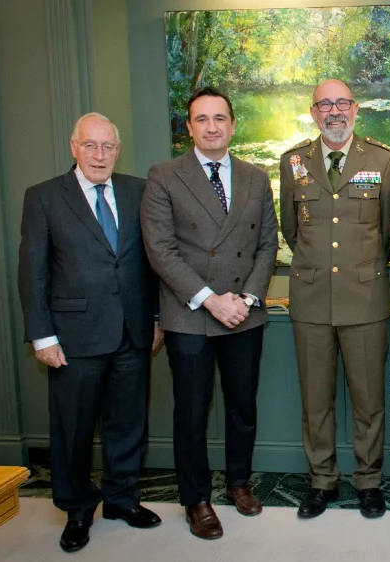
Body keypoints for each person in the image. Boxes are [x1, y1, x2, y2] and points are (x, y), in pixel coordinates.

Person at [17, 112, 162, 552]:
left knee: (128, 424)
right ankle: (77, 509)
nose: (100, 155)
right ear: (74, 147)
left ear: (118, 150)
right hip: (73, 336)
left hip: (133, 331)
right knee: (73, 429)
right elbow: (32, 272)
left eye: (108, 147)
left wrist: (156, 318)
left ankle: (122, 499)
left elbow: (155, 261)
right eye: (91, 145)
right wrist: (42, 336)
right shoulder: (44, 197)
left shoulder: (139, 191)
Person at [141, 87, 278, 540]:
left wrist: (248, 299)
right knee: (192, 412)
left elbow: (267, 245)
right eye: (202, 119)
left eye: (220, 118)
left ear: (233, 125)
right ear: (189, 128)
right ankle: (195, 498)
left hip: (244, 314)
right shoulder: (164, 176)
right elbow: (160, 250)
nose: (212, 126)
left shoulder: (256, 177)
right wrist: (210, 299)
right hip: (190, 315)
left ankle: (239, 482)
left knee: (242, 407)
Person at [279, 79, 390, 520]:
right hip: (311, 299)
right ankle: (321, 481)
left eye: (342, 103)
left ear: (355, 109)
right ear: (314, 112)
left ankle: (369, 481)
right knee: (316, 400)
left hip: (364, 298)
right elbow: (291, 228)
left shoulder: (383, 161)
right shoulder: (293, 161)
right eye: (325, 104)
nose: (334, 111)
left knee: (368, 400)